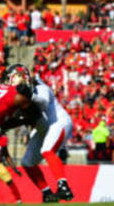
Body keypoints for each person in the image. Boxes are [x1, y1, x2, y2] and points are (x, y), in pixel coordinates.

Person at [18, 71, 75, 202]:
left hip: (58, 122)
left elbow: (43, 103)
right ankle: (47, 193)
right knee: (27, 162)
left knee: (47, 150)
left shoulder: (40, 87)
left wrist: (30, 95)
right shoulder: (17, 96)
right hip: (43, 128)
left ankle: (63, 186)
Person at [0, 64, 34, 203]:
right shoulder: (19, 97)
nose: (26, 81)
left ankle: (17, 199)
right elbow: (30, 115)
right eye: (24, 78)